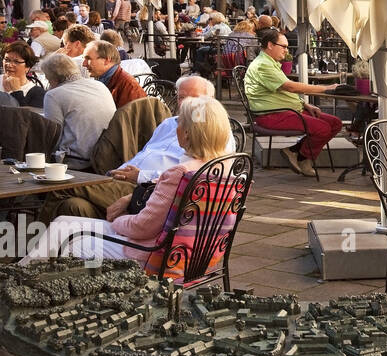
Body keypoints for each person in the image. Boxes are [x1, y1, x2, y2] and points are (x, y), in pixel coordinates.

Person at [21, 96, 233, 267]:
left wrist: (118, 220)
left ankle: (25, 283)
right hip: (196, 255)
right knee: (62, 224)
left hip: (155, 256)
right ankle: (22, 269)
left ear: (185, 134)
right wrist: (130, 198)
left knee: (70, 242)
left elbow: (142, 227)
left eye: (180, 123)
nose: (175, 127)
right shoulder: (225, 172)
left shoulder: (180, 173)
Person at [244, 27, 343, 176]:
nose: (286, 51)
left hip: (288, 110)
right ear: (270, 45)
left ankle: (295, 152)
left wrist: (305, 104)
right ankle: (302, 156)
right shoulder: (263, 65)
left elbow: (283, 90)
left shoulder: (270, 62)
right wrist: (326, 88)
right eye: (283, 46)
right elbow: (289, 87)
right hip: (272, 115)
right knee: (322, 128)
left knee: (335, 123)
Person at [37, 53, 117, 170]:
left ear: (53, 78)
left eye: (48, 79)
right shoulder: (99, 85)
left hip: (78, 162)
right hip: (109, 155)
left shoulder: (54, 95)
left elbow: (52, 135)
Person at [84, 40, 146, 108]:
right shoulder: (105, 78)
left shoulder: (128, 86)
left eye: (88, 59)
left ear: (107, 60)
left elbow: (130, 117)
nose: (84, 64)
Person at [1, 42, 44, 109]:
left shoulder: (37, 93)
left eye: (16, 62)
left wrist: (17, 91)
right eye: (7, 60)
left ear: (27, 67)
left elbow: (27, 117)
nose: (9, 65)